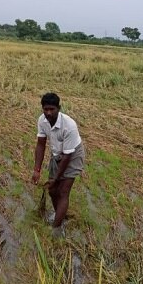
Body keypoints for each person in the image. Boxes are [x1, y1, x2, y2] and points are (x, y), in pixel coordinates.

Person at [31, 92, 85, 235]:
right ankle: (59, 216)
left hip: (72, 155)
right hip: (57, 155)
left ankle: (56, 229)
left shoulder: (69, 126)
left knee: (62, 191)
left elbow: (68, 157)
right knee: (52, 190)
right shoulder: (42, 121)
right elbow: (41, 145)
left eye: (52, 109)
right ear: (42, 108)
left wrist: (56, 179)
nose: (48, 113)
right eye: (46, 109)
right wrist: (37, 170)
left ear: (58, 108)